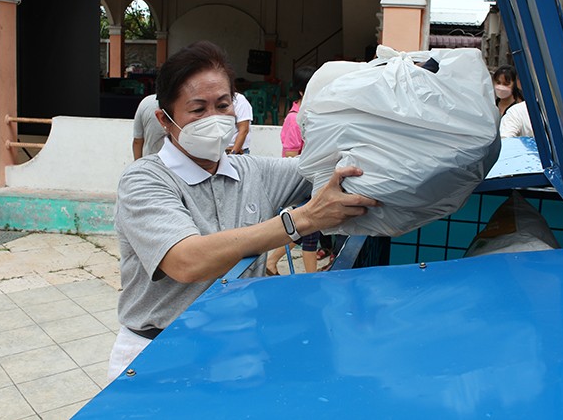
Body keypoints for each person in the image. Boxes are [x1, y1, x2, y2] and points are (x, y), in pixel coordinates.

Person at [108, 41, 378, 381]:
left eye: (223, 105)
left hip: (238, 348)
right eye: (198, 109)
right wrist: (304, 219)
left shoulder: (252, 171)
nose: (215, 119)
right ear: (165, 119)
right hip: (160, 354)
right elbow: (186, 261)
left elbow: (326, 171)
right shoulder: (144, 180)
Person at [266, 66, 320, 275]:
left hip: (311, 179)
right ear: (301, 91)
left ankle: (272, 261)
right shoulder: (294, 119)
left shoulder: (310, 114)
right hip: (301, 180)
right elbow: (290, 155)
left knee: (304, 229)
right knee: (310, 229)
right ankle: (312, 279)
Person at [132, 94, 167, 159]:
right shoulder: (181, 103)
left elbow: (137, 141)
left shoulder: (146, 102)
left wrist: (138, 163)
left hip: (149, 160)